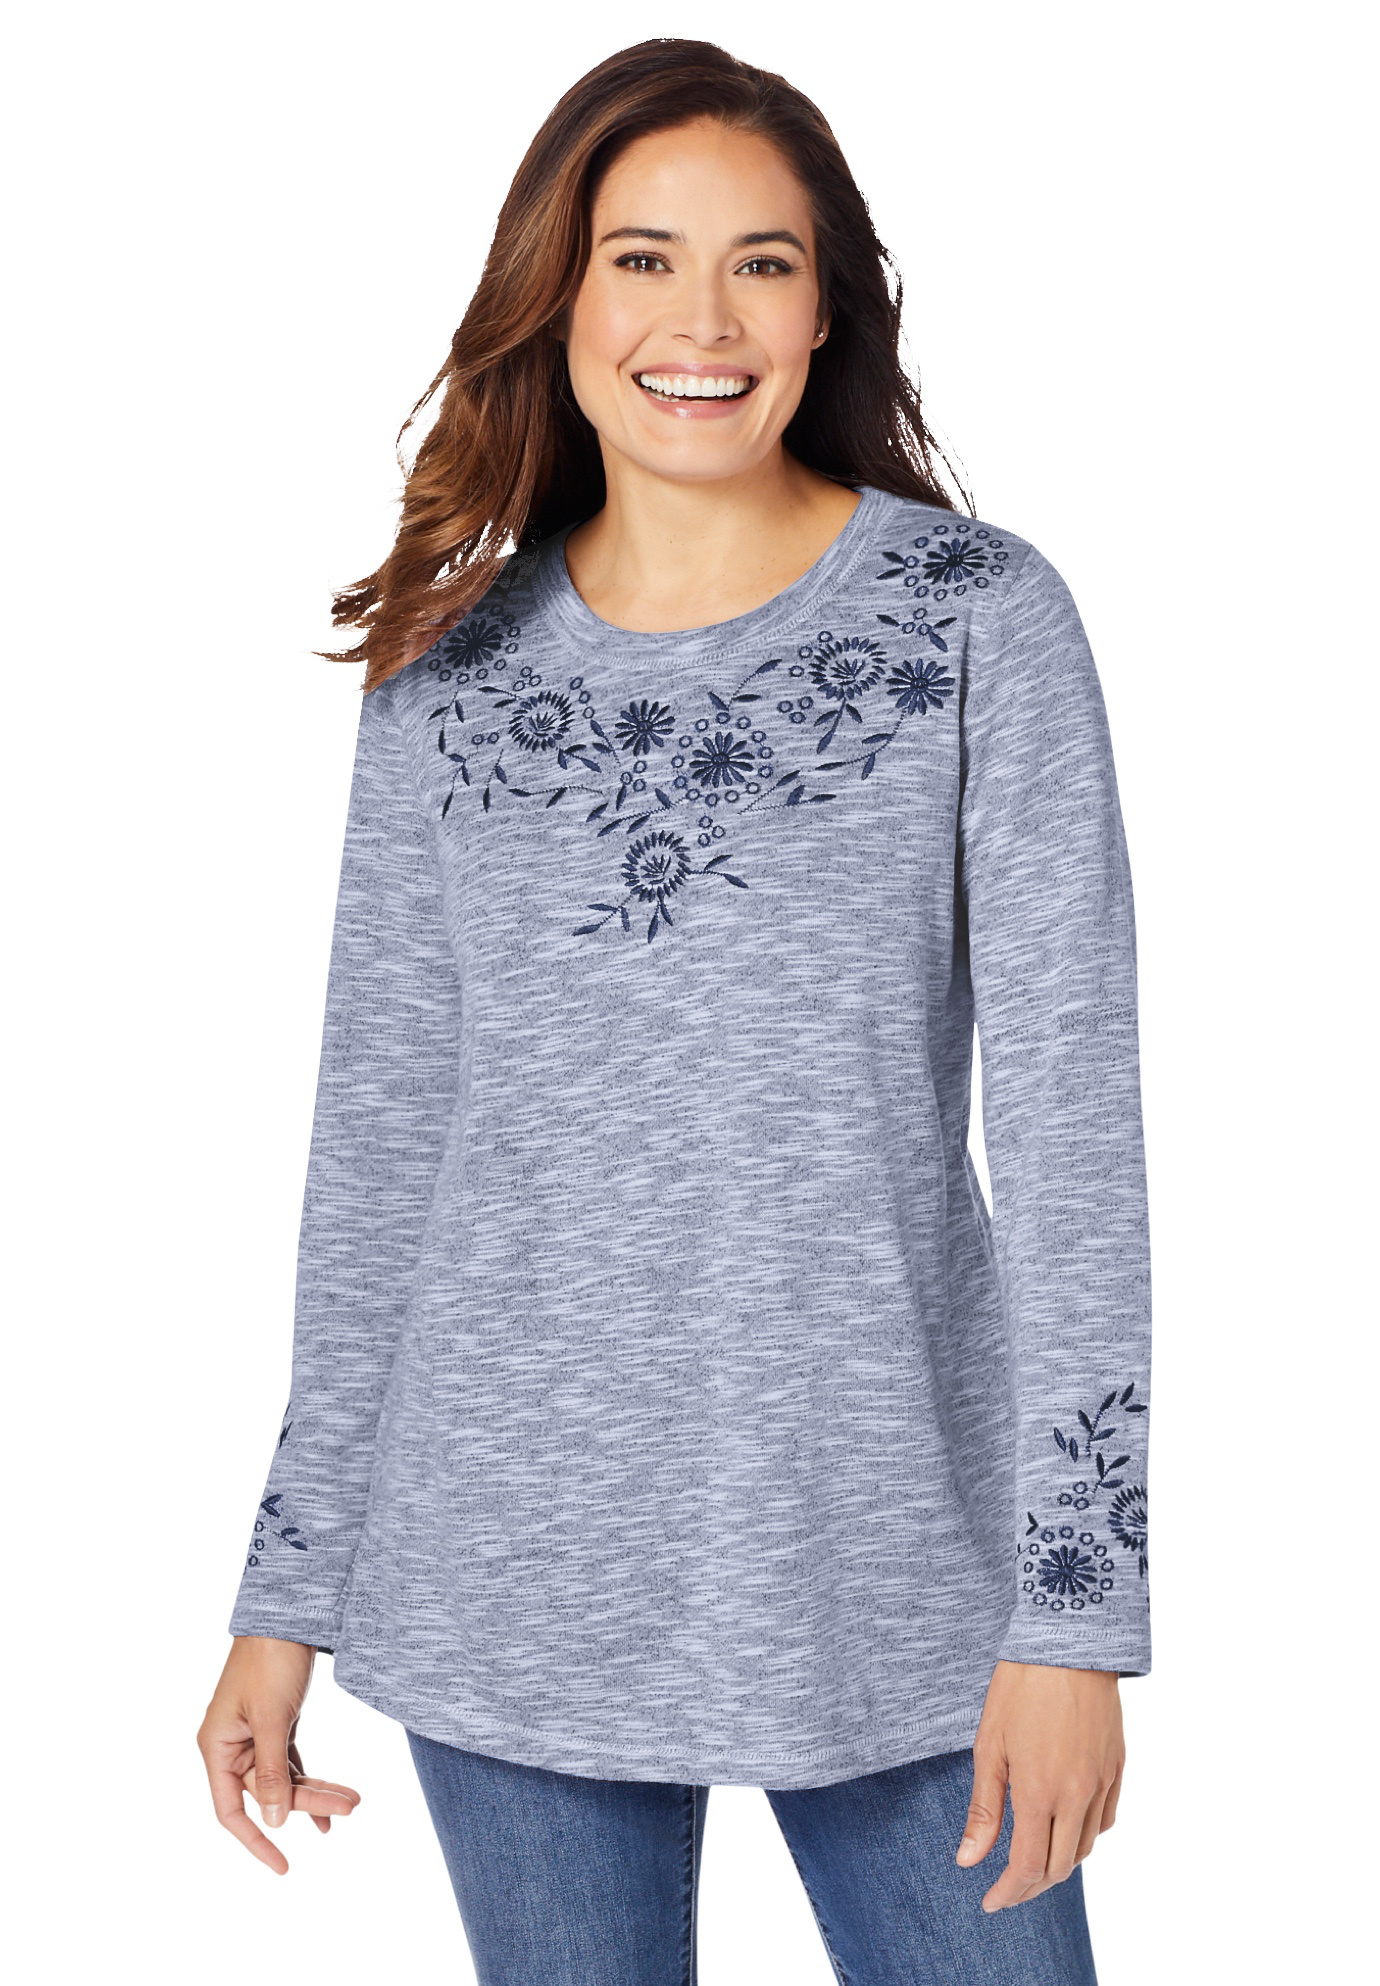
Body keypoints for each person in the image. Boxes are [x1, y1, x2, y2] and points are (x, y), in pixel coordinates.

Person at [197, 37, 1152, 1986]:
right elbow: (381, 1152)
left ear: (827, 310)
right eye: (642, 259)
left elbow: (1074, 1140)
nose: (700, 321)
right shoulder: (446, 679)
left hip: (893, 1561)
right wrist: (281, 1596)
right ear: (558, 300)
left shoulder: (977, 622)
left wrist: (1075, 1617)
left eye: (760, 264)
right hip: (503, 1560)